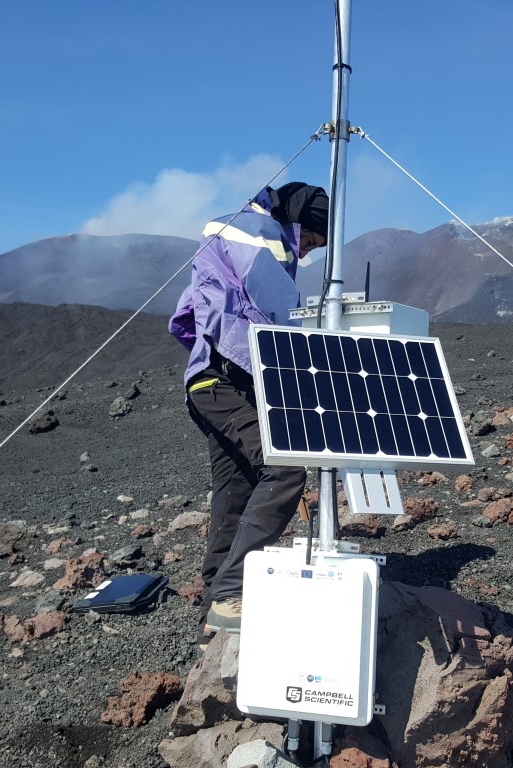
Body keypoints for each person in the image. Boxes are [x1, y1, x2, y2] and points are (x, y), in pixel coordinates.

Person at [168, 182, 329, 645]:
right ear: (301, 224)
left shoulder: (240, 234)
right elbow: (276, 313)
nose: (310, 251)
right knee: (284, 468)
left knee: (235, 493)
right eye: (313, 240)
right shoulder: (256, 235)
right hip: (224, 382)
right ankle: (233, 591)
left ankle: (213, 622)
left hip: (208, 381)